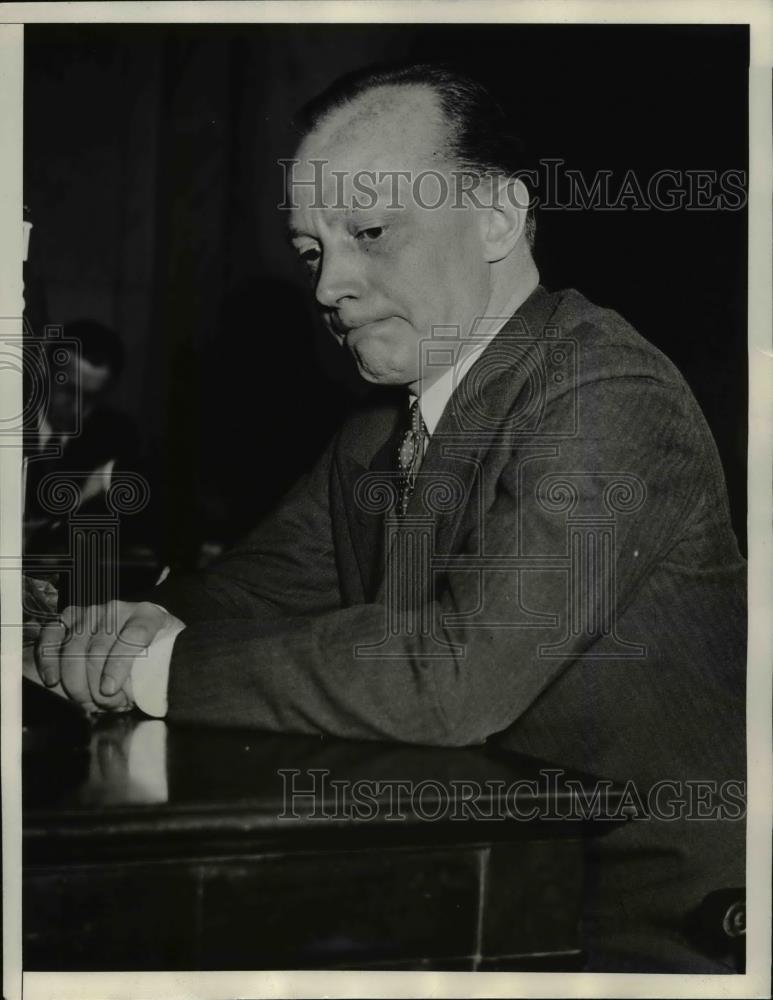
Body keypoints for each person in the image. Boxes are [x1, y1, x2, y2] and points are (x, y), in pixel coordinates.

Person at [31, 64, 746, 972]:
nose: (330, 286)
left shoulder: (604, 392)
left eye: (369, 232)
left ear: (495, 216)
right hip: (490, 878)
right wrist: (73, 626)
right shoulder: (380, 427)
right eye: (311, 251)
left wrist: (143, 665)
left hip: (658, 922)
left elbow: (452, 680)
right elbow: (252, 591)